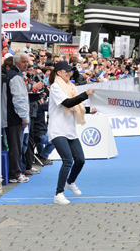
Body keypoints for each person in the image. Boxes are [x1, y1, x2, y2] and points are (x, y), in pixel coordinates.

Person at [49, 61, 97, 205]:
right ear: (59, 73)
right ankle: (58, 194)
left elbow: (77, 105)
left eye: (70, 71)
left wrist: (88, 110)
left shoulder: (70, 87)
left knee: (80, 160)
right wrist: (85, 94)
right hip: (57, 129)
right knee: (68, 160)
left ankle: (70, 182)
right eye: (67, 71)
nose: (69, 74)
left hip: (69, 129)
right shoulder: (55, 86)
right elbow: (68, 103)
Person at [5, 53, 31, 183]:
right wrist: (24, 117)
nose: (26, 64)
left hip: (12, 117)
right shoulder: (15, 77)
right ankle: (15, 174)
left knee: (16, 146)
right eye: (23, 62)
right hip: (15, 118)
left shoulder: (15, 75)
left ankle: (15, 172)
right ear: (16, 63)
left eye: (27, 62)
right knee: (16, 146)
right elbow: (19, 99)